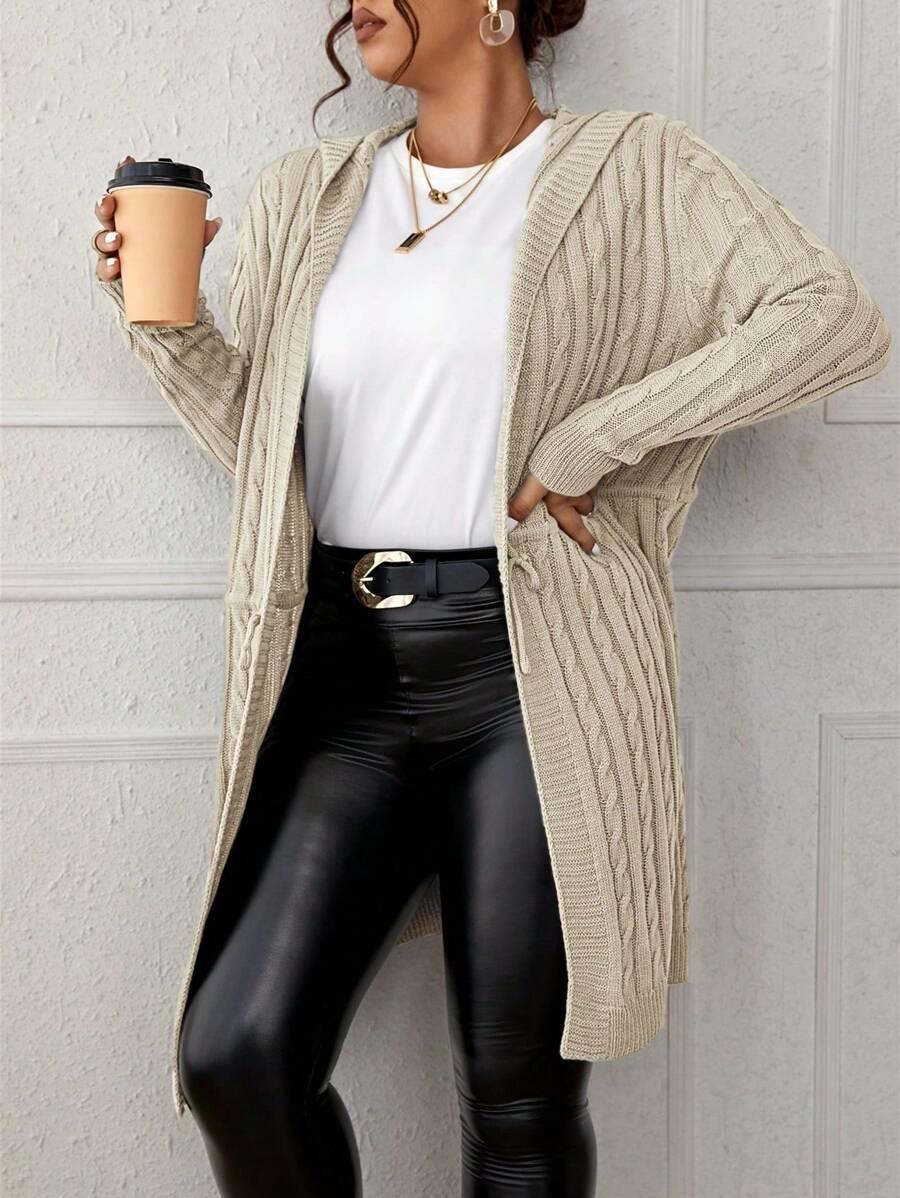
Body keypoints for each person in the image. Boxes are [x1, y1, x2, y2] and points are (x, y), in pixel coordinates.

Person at [90, 2, 892, 1195]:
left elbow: (832, 318)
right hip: (340, 677)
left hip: (531, 672)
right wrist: (166, 325)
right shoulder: (311, 193)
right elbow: (268, 460)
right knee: (236, 1056)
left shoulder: (637, 168)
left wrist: (596, 437)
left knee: (518, 1100)